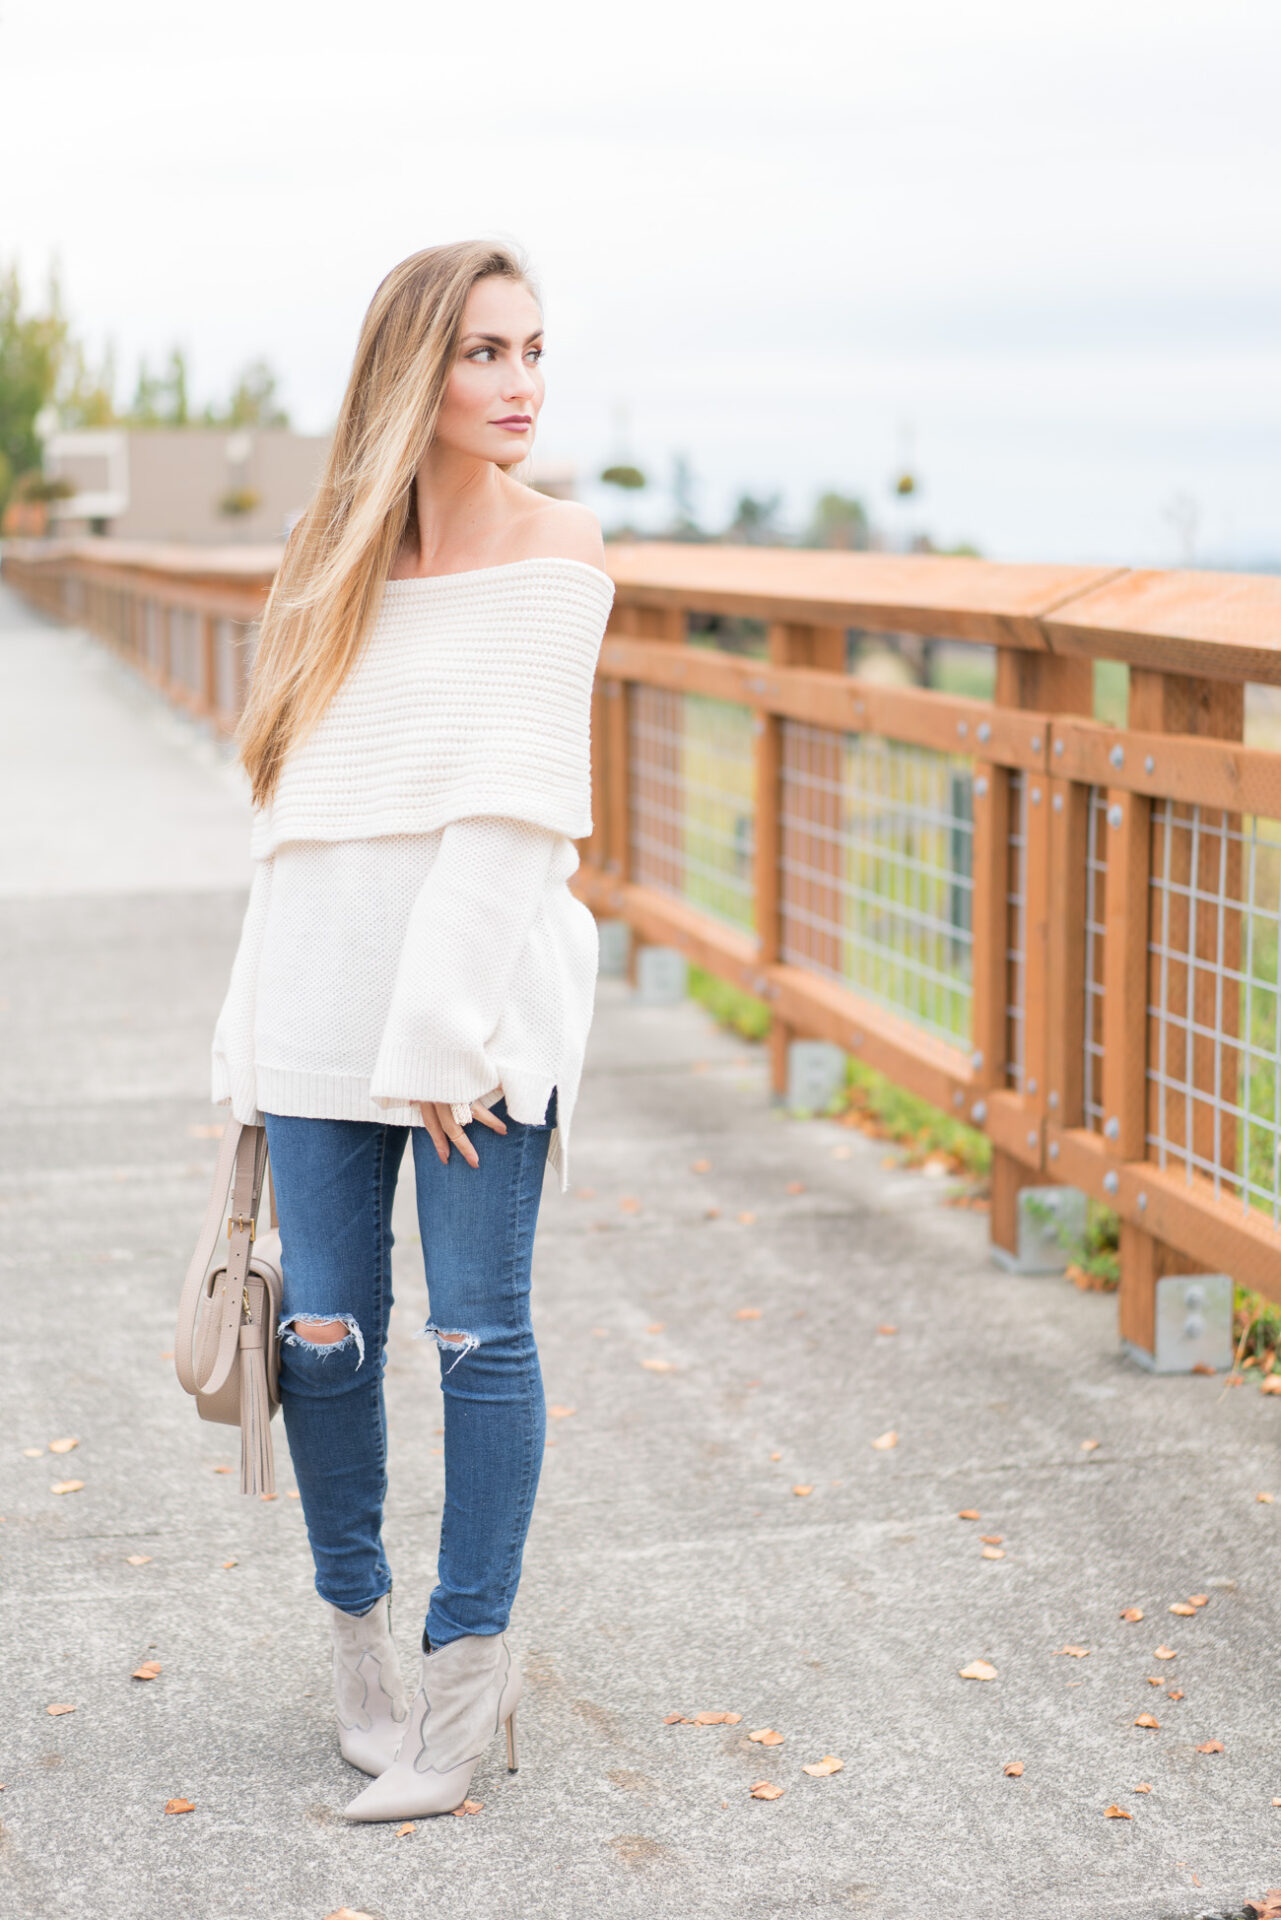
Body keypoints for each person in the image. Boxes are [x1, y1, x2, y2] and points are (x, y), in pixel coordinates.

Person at [209, 240, 614, 1821]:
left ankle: (464, 1693)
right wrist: (246, 1035)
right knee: (325, 1338)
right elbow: (291, 828)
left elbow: (513, 822)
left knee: (476, 1335)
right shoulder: (324, 558)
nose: (518, 385)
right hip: (314, 1003)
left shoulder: (560, 551)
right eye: (483, 355)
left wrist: (442, 1038)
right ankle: (358, 1653)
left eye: (531, 351)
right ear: (413, 376)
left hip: (472, 1026)